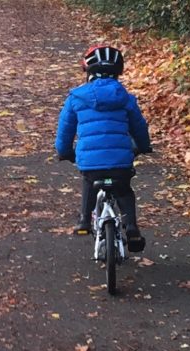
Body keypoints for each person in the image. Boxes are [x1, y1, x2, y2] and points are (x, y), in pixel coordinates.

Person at [55, 45, 151, 252]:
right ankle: (132, 228)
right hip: (120, 162)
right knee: (124, 190)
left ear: (88, 71)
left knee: (90, 180)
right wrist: (143, 146)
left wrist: (64, 152)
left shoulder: (76, 98)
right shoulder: (125, 98)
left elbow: (65, 130)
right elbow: (139, 127)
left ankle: (83, 221)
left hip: (90, 162)